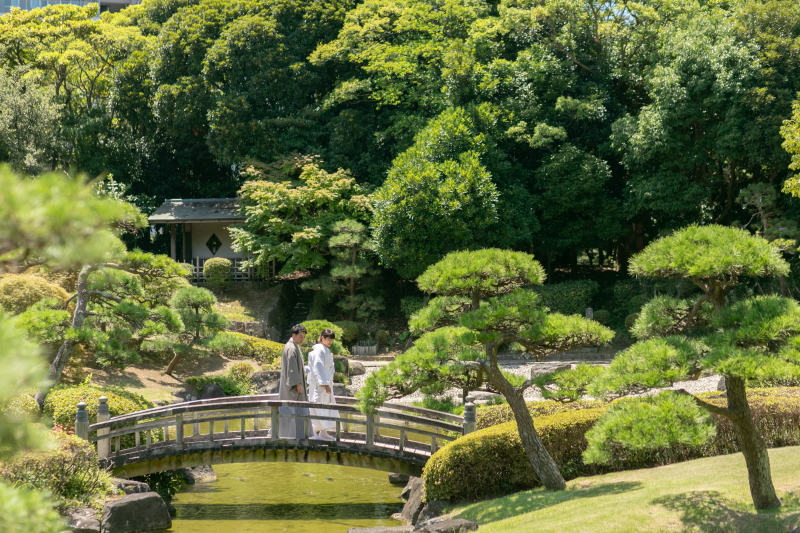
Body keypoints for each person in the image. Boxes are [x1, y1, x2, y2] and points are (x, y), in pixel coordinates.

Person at [278, 324, 309, 439]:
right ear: (293, 335)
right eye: (300, 336)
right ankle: (294, 435)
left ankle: (291, 434)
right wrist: (298, 384)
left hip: (294, 383)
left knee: (291, 409)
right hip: (294, 385)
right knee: (293, 408)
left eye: (304, 337)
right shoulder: (291, 348)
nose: (302, 339)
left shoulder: (292, 346)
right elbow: (292, 368)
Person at [307, 329, 339, 441]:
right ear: (322, 338)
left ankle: (323, 432)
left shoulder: (324, 350)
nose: (330, 341)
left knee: (327, 407)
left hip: (326, 383)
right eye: (328, 339)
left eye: (331, 340)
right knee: (317, 406)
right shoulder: (318, 350)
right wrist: (325, 383)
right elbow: (318, 367)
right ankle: (313, 432)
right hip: (319, 385)